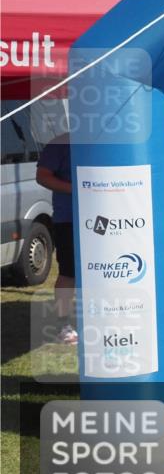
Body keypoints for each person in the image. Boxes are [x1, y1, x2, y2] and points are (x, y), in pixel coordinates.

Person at [36, 133, 77, 344]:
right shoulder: (61, 143)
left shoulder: (108, 140)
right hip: (69, 218)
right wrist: (78, 189)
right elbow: (42, 176)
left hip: (107, 217)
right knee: (69, 273)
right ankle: (64, 325)